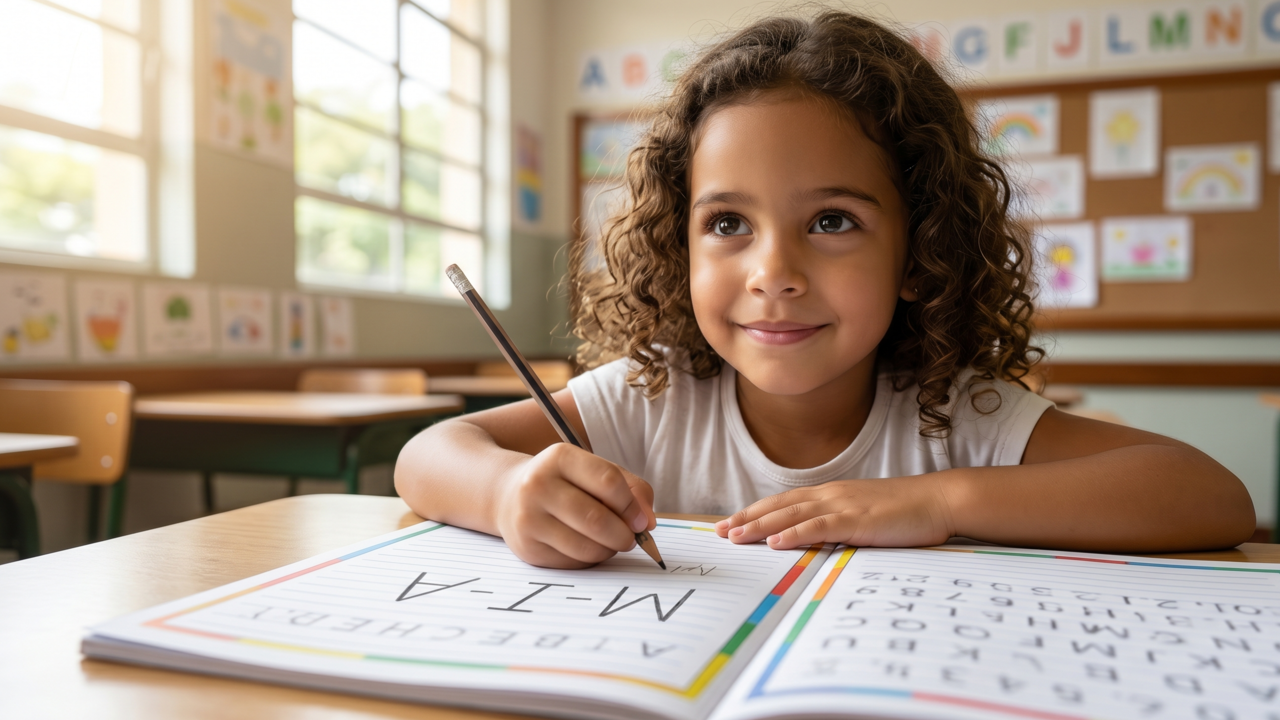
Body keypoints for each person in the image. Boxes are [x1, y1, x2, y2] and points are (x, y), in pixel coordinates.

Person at [395, 11, 1255, 568]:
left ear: (919, 250)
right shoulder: (650, 399)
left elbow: (1211, 494)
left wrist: (937, 500)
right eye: (727, 223)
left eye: (833, 220)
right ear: (677, 245)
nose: (773, 272)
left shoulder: (958, 419)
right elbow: (427, 455)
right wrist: (506, 494)